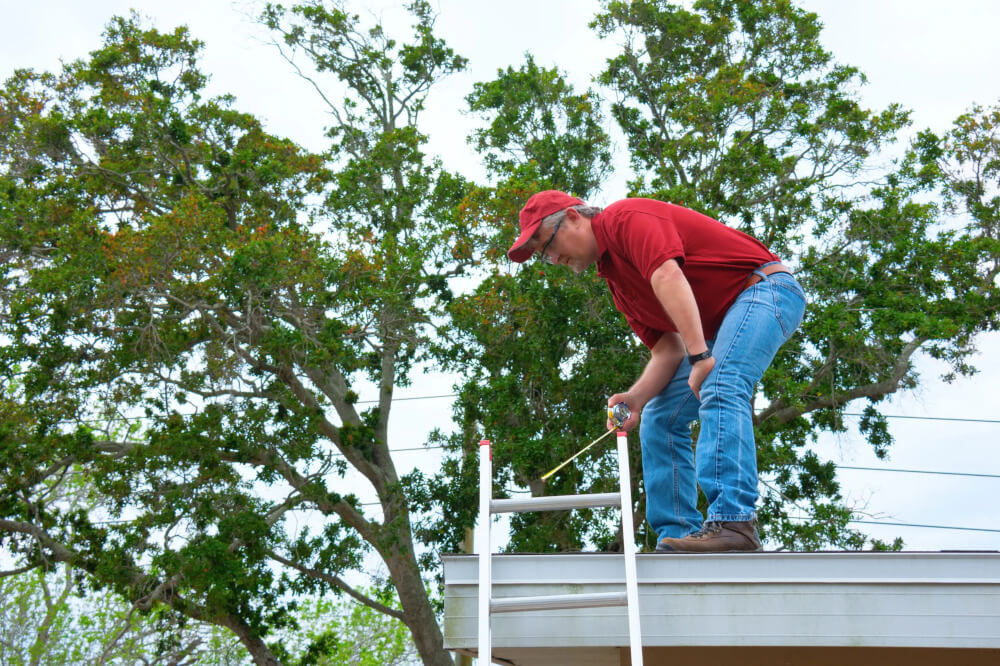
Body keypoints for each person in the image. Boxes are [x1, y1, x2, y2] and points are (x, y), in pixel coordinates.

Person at [507, 190, 806, 553]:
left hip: (765, 289)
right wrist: (635, 398)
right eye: (543, 256)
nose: (552, 258)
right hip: (719, 328)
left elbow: (667, 275)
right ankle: (676, 533)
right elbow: (667, 350)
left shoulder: (624, 220)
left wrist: (700, 358)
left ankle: (734, 523)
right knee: (659, 417)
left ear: (573, 217)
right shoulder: (618, 285)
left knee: (720, 382)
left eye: (548, 244)